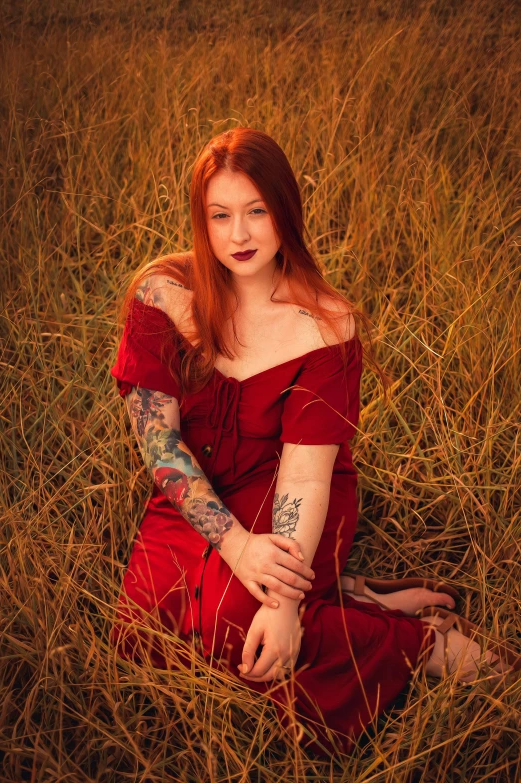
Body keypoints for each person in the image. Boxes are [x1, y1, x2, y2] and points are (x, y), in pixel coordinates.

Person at [110, 128, 516, 756]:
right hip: (199, 492)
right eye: (220, 216)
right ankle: (355, 599)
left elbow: (304, 478)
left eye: (256, 212)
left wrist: (280, 600)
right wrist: (238, 545)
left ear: (285, 212)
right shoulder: (163, 295)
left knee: (244, 632)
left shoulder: (325, 324)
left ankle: (422, 645)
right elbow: (161, 446)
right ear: (201, 221)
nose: (239, 236)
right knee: (145, 632)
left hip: (291, 493)